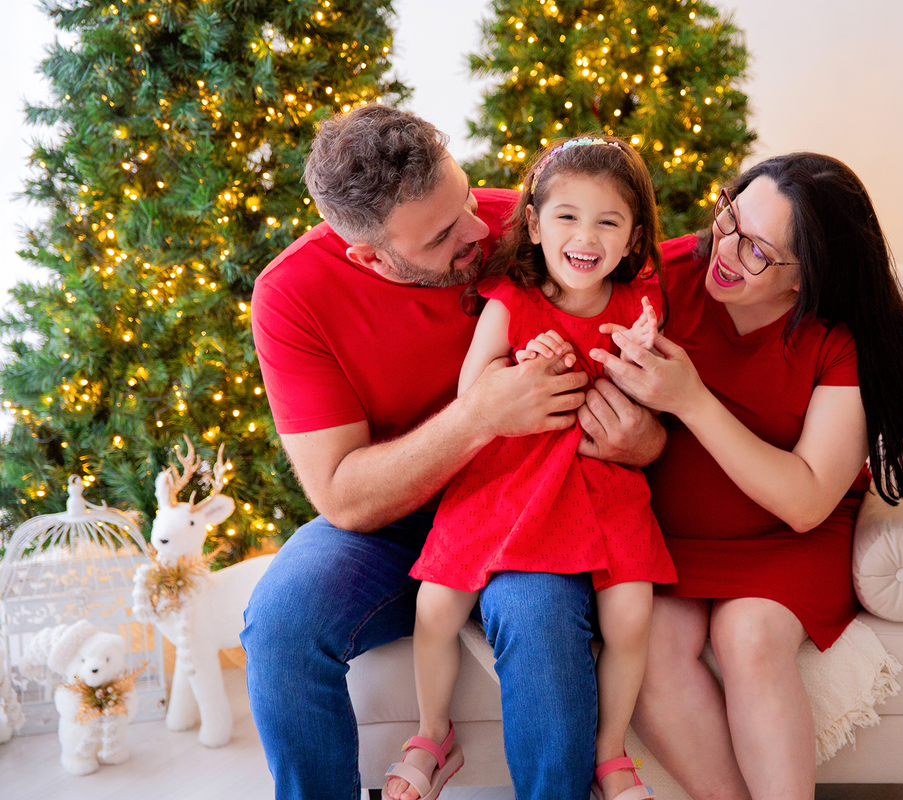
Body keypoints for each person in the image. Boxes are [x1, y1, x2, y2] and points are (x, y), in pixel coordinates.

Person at [243, 105, 665, 800]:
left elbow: (642, 324)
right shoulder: (292, 296)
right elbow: (344, 497)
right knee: (281, 624)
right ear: (371, 256)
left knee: (539, 616)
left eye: (466, 198)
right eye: (443, 234)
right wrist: (478, 416)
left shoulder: (538, 224)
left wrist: (642, 438)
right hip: (396, 518)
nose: (479, 230)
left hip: (534, 499)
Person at [592, 153, 903, 800]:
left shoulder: (835, 340)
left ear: (806, 278)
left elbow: (810, 499)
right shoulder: (667, 277)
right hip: (666, 537)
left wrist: (693, 401)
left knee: (751, 636)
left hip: (786, 538)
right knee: (649, 651)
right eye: (729, 217)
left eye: (757, 250)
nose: (726, 251)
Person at [386, 136, 676, 800]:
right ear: (536, 224)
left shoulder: (635, 309)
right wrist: (518, 366)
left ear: (633, 239)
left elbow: (652, 403)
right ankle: (432, 734)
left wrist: (636, 359)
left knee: (632, 614)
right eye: (568, 216)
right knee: (435, 606)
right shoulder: (511, 301)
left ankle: (608, 754)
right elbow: (472, 393)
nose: (586, 235)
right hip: (506, 480)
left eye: (609, 221)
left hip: (599, 484)